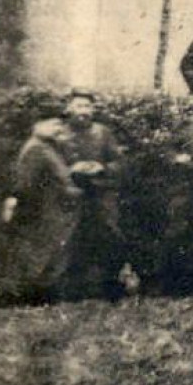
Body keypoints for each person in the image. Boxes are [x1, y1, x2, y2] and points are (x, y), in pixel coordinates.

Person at [0, 118, 81, 304]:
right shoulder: (36, 148)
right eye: (51, 124)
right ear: (36, 126)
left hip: (54, 209)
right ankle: (23, 296)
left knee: (48, 252)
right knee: (38, 253)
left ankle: (37, 294)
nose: (57, 128)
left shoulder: (48, 147)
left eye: (59, 125)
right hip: (43, 211)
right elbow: (26, 183)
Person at [59, 89, 127, 298]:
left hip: (100, 191)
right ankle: (72, 288)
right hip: (71, 192)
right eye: (79, 106)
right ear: (69, 108)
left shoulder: (103, 132)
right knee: (71, 237)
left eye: (88, 106)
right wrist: (72, 168)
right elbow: (50, 163)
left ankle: (110, 285)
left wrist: (101, 167)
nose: (84, 111)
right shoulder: (60, 133)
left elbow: (119, 162)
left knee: (109, 234)